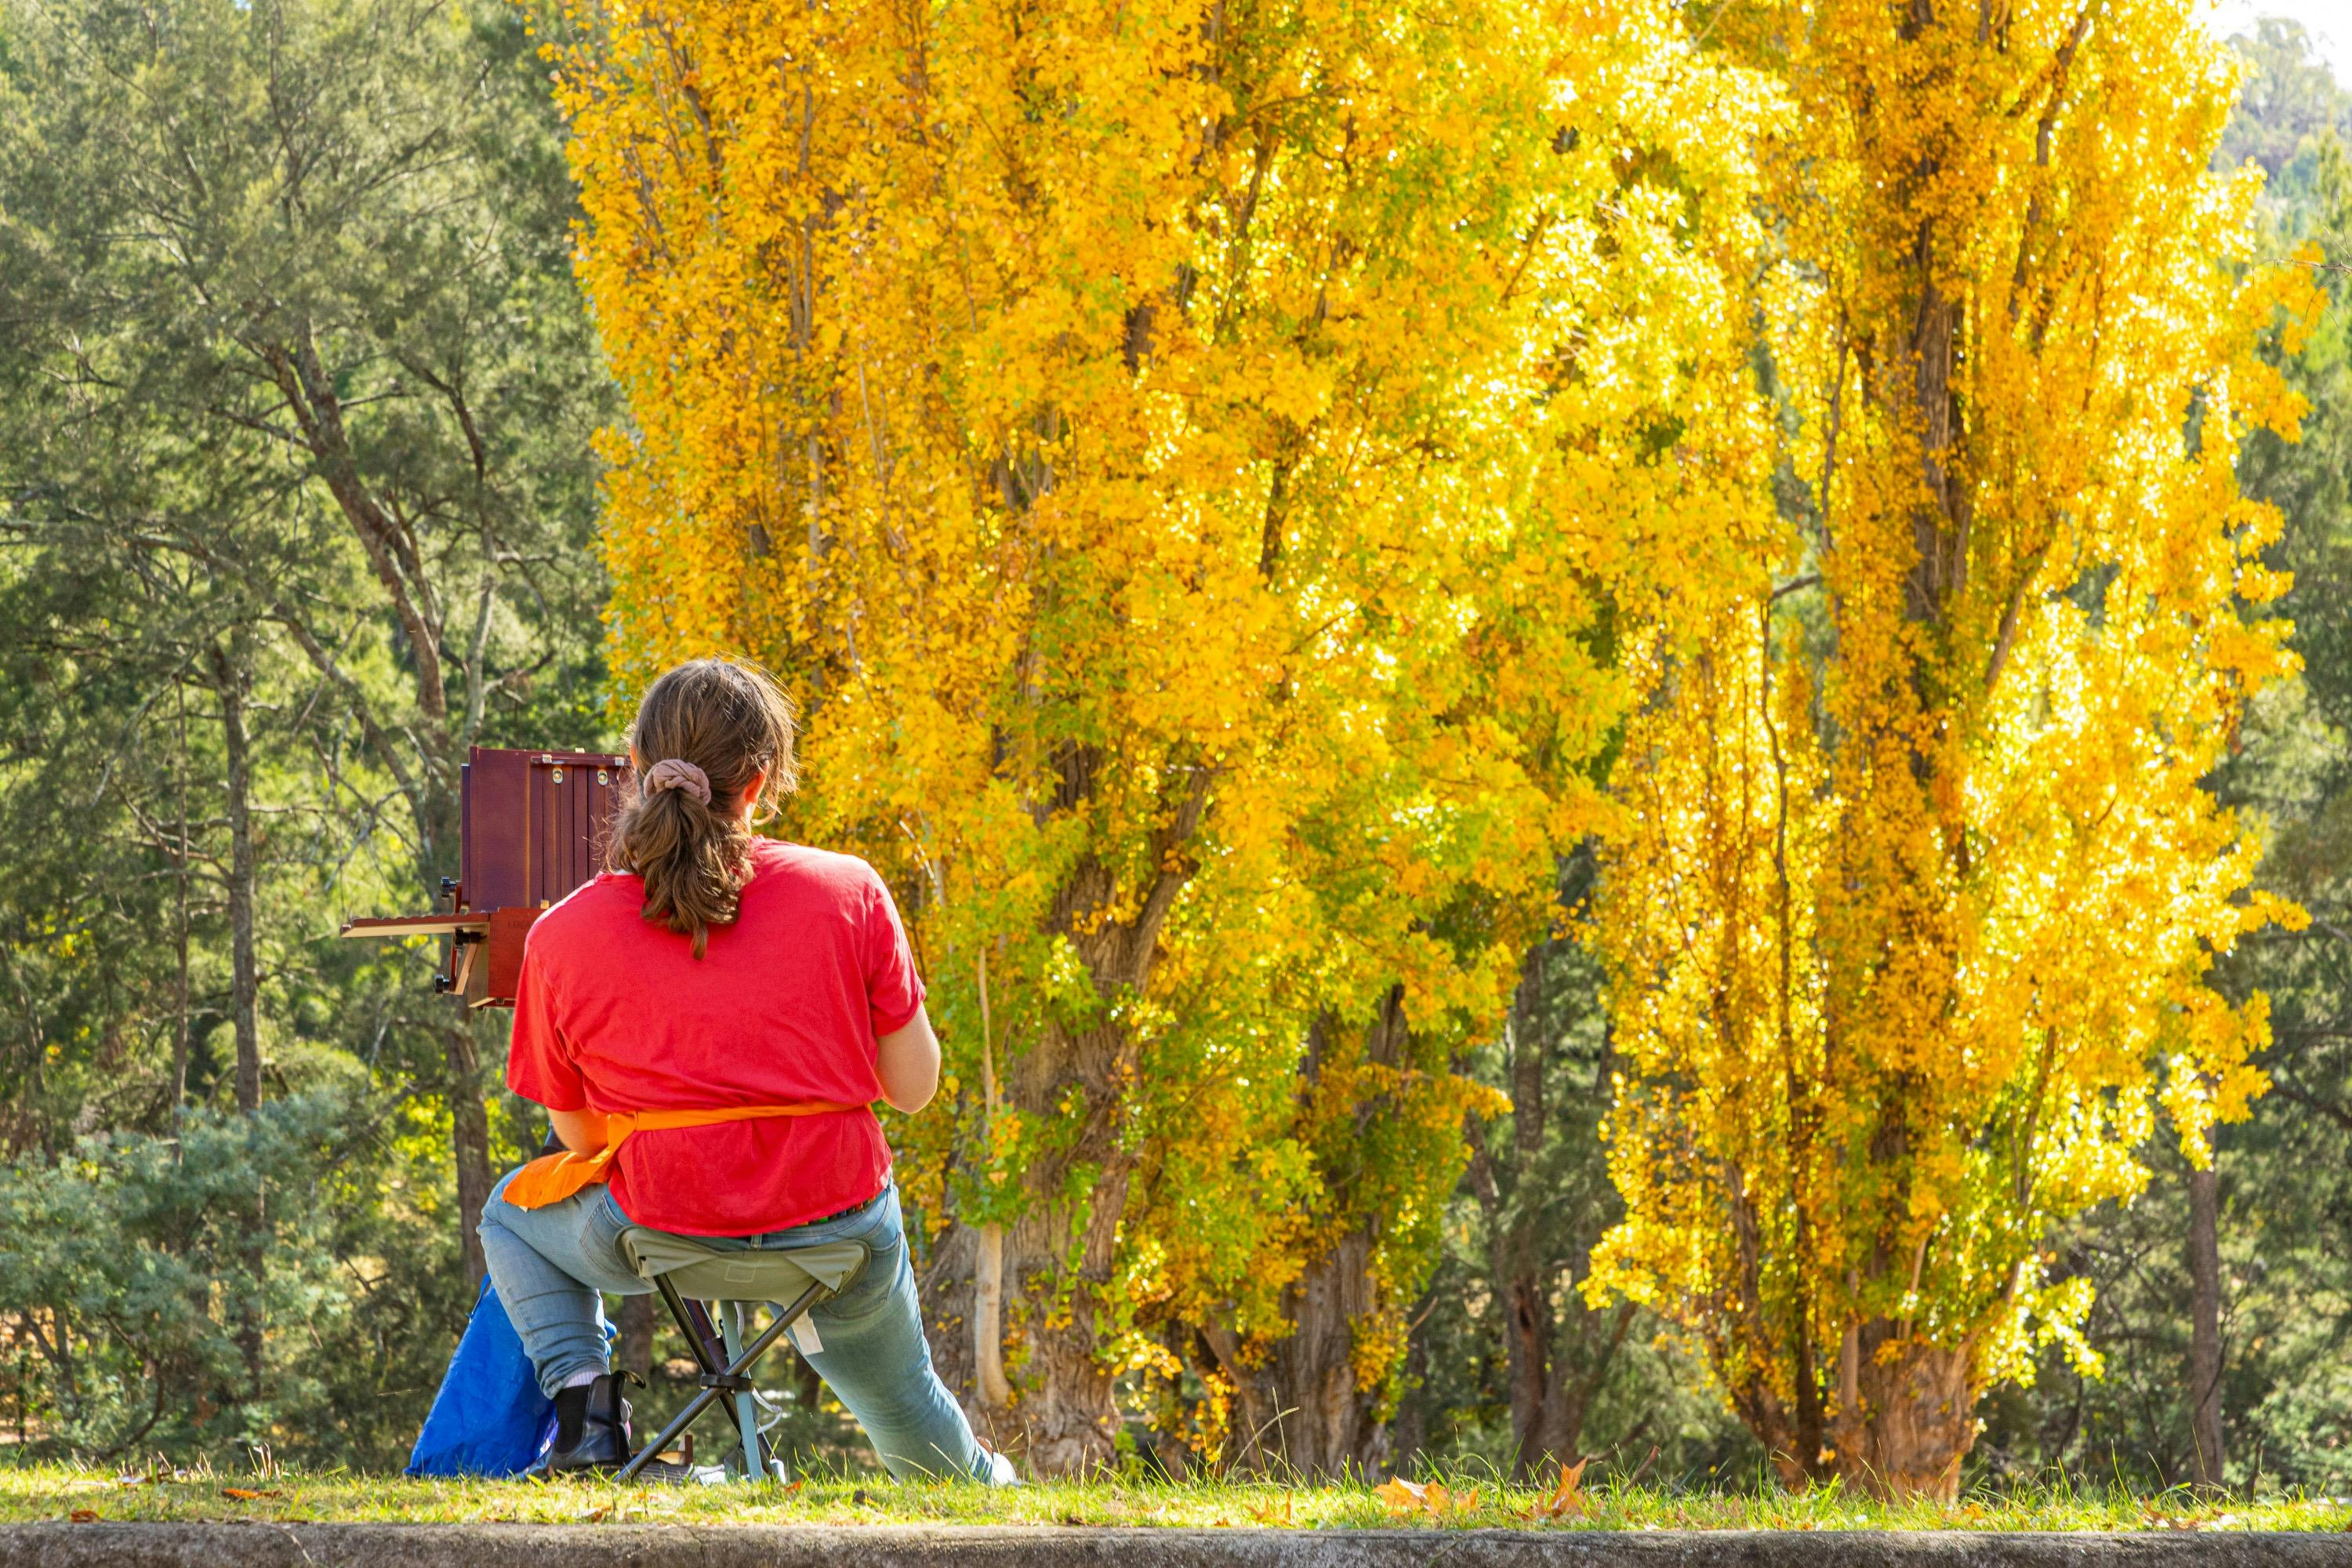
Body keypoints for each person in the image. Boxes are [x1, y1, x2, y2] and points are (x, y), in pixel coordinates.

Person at [477, 657, 1011, 1483]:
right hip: (837, 1233)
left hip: (658, 1230)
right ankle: (994, 1497)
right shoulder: (851, 891)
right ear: (758, 782)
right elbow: (913, 1087)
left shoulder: (564, 934)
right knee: (911, 1416)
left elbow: (579, 1134)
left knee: (511, 1219)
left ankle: (590, 1414)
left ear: (636, 772)